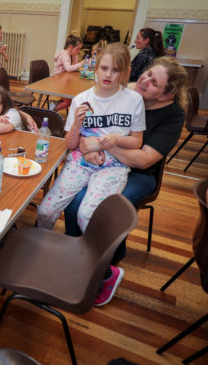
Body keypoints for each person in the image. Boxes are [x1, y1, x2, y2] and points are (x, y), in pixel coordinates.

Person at [64, 56, 188, 306]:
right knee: (73, 202)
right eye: (148, 73)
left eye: (154, 82)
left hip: (140, 174)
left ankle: (105, 271)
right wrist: (90, 146)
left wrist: (100, 144)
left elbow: (144, 160)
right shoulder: (129, 93)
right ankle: (75, 256)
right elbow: (92, 126)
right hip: (104, 162)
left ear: (166, 94)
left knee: (105, 209)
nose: (145, 80)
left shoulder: (173, 115)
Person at [38, 43, 146, 307]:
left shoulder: (133, 100)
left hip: (113, 165)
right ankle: (43, 256)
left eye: (116, 70)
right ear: (95, 69)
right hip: (80, 161)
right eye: (104, 68)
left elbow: (136, 143)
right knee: (45, 211)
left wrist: (111, 141)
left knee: (87, 214)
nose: (108, 74)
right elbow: (71, 144)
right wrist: (76, 122)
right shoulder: (81, 99)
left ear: (125, 73)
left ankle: (102, 271)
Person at [52, 34, 84, 111]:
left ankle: (54, 104)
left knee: (71, 98)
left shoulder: (70, 55)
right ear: (70, 47)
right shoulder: (65, 56)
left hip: (64, 80)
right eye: (77, 49)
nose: (78, 51)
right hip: (58, 81)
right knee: (69, 101)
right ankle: (52, 111)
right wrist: (81, 64)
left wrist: (74, 56)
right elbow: (69, 68)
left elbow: (73, 66)